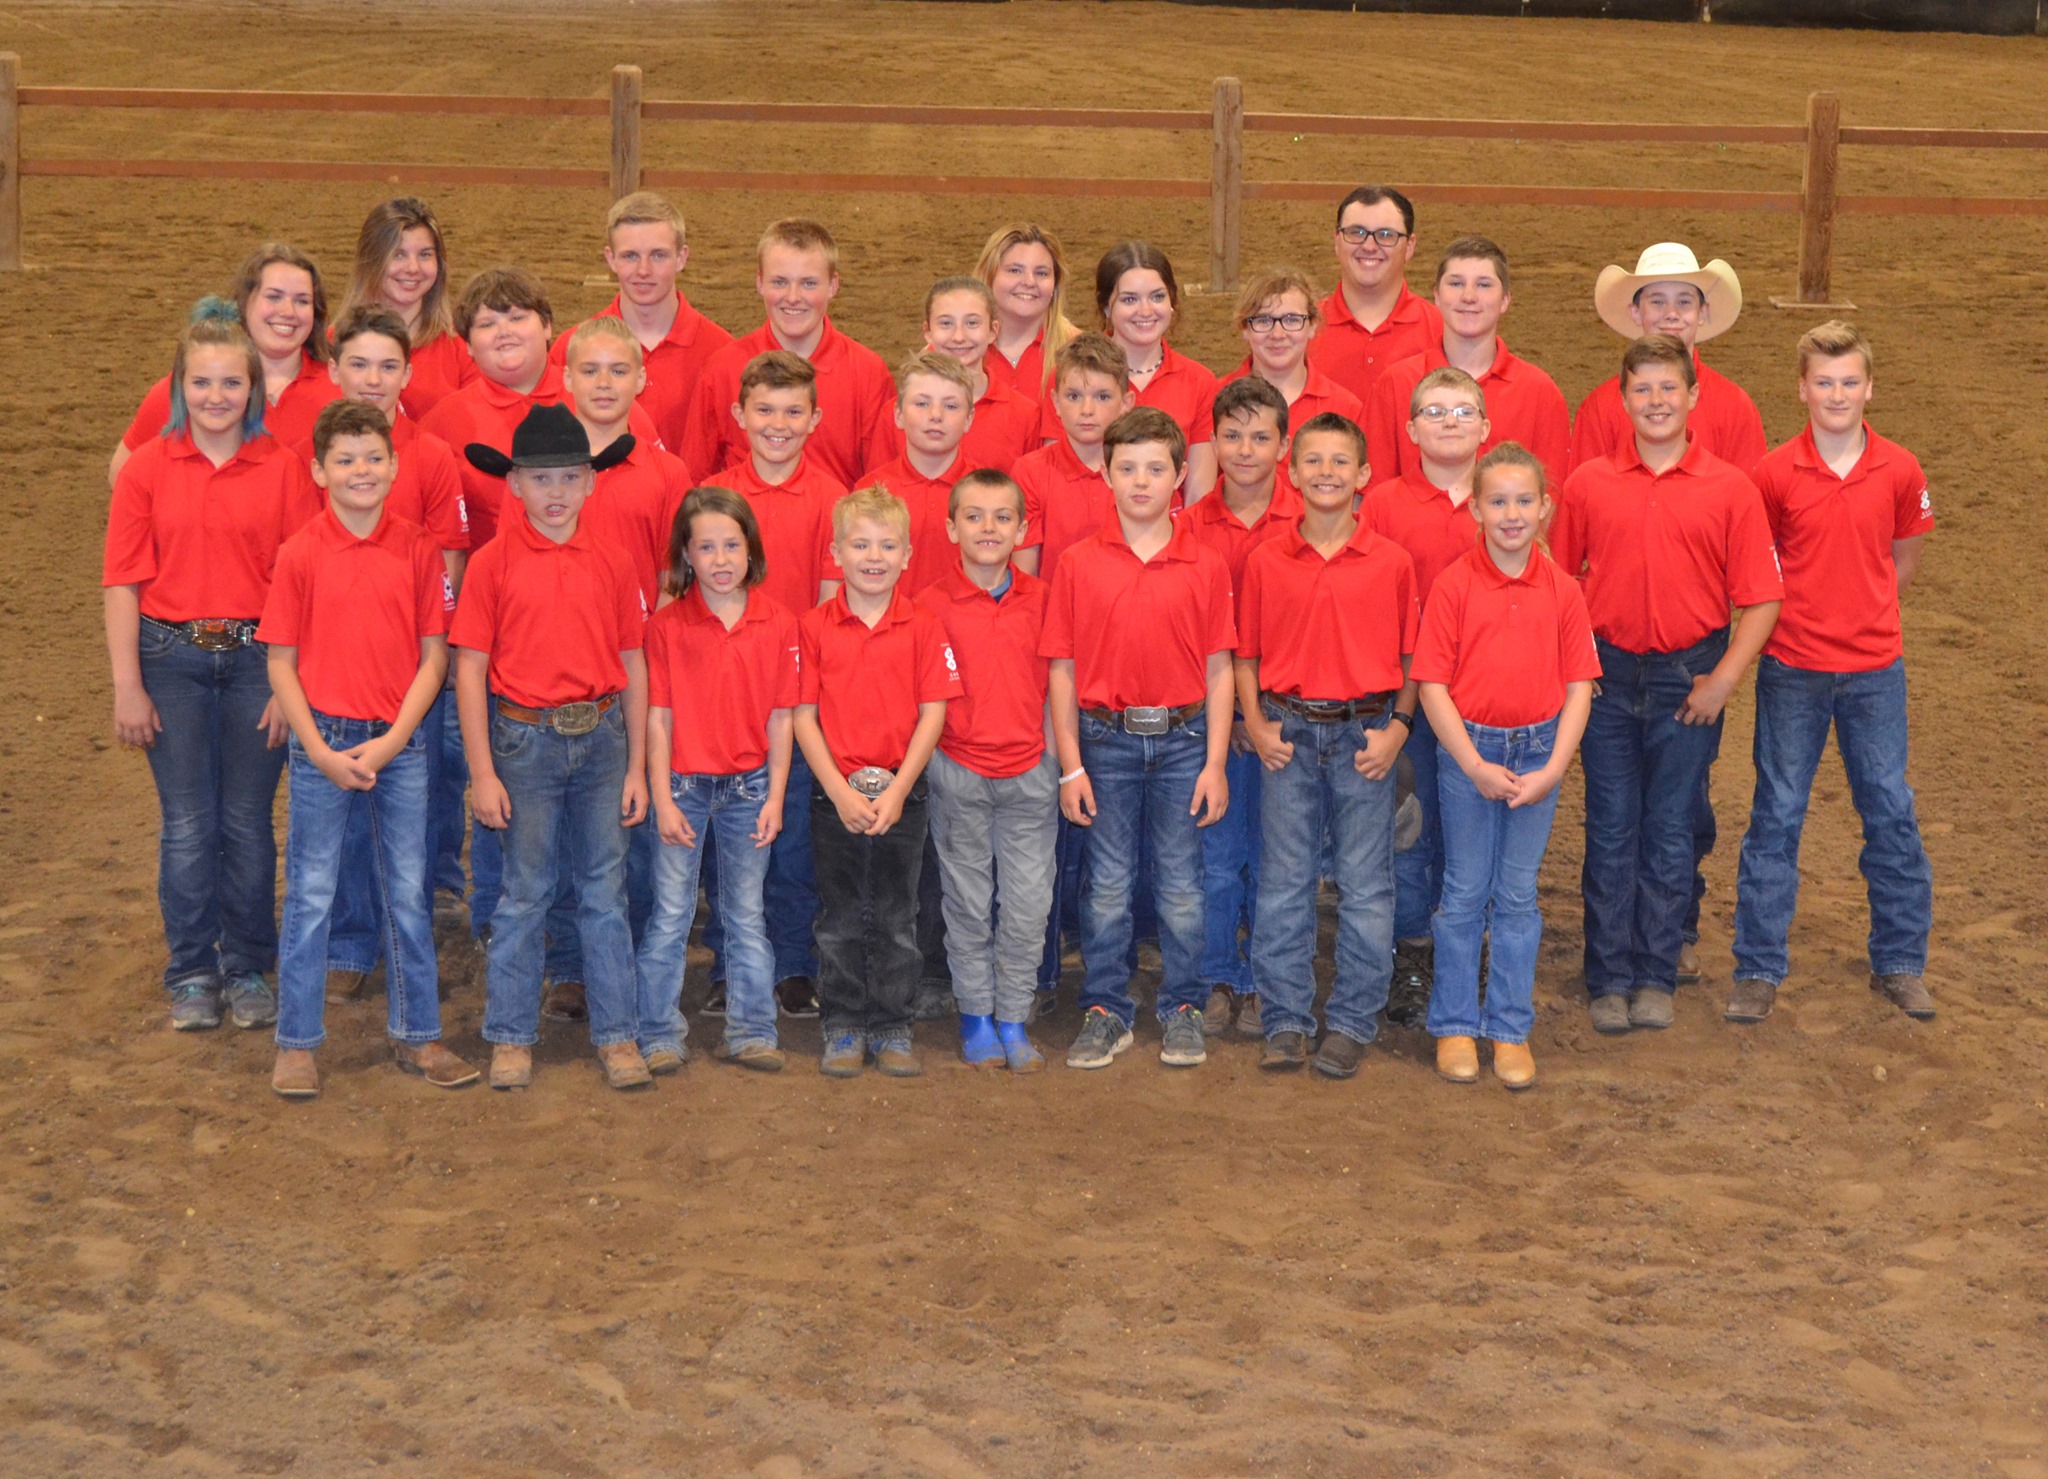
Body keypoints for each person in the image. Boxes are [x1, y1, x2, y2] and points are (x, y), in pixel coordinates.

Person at [1550, 336, 1782, 1035]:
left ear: (1693, 397)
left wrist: (1724, 679)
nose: (1655, 401)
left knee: (1672, 827)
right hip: (1609, 680)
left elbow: (1762, 597)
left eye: (1668, 388)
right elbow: (1558, 583)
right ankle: (1608, 975)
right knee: (1613, 827)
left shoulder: (1730, 488)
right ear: (1622, 400)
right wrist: (1576, 677)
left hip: (1691, 678)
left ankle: (1655, 971)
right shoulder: (1589, 483)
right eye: (1642, 389)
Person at [102, 298, 320, 1031]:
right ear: (178, 388)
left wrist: (289, 683)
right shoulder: (147, 471)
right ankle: (192, 969)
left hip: (260, 659)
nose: (216, 397)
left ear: (253, 390)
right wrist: (128, 684)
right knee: (189, 823)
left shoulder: (284, 469)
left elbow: (300, 580)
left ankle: (249, 964)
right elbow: (123, 581)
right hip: (171, 659)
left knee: (249, 822)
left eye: (232, 383)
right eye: (201, 383)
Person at [260, 401, 475, 1098]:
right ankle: (296, 1041)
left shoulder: (416, 548)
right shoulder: (299, 553)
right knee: (313, 893)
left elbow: (433, 659)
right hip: (325, 740)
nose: (361, 471)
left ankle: (419, 1033)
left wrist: (392, 740)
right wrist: (320, 750)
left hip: (398, 744)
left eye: (373, 458)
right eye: (345, 460)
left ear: (393, 465)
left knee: (408, 893)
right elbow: (282, 663)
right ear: (319, 470)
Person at [1729, 322, 1936, 1024]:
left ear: (1870, 387)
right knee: (1777, 814)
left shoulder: (1901, 469)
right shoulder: (1774, 473)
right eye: (1824, 381)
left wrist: (1864, 612)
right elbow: (1759, 565)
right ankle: (1758, 967)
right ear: (1802, 389)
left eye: (1849, 381)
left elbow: (1903, 558)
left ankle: (1901, 960)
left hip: (1876, 669)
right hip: (1793, 668)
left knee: (1889, 808)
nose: (1837, 393)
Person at [449, 405, 651, 1091]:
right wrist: (482, 769)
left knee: (604, 888)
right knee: (525, 889)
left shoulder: (614, 560)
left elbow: (633, 660)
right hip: (524, 737)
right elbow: (469, 668)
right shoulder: (492, 564)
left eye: (569, 477)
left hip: (601, 735)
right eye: (540, 480)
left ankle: (619, 1033)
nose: (556, 492)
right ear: (515, 487)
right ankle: (510, 1034)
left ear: (592, 483)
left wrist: (640, 768)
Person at [1042, 407, 1234, 1071]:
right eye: (1128, 468)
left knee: (1182, 883)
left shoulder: (1205, 564)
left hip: (1183, 742)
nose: (1142, 481)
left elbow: (1219, 667)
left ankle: (1182, 1003)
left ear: (1182, 475)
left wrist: (1214, 761)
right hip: (1106, 741)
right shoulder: (1077, 562)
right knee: (1106, 882)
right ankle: (1105, 1007)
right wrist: (1071, 764)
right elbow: (1061, 668)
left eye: (1157, 468)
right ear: (1106, 472)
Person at [1236, 412, 1418, 1079]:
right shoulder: (1266, 559)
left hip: (1363, 735)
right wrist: (1254, 723)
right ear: (1291, 472)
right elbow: (1245, 654)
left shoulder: (1392, 562)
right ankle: (1286, 1018)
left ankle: (1350, 1020)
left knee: (1367, 885)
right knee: (1285, 881)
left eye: (1341, 462)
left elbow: (1411, 655)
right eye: (1312, 460)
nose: (1326, 473)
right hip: (1286, 731)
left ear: (1364, 475)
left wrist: (1397, 727)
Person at [1412, 443, 1599, 1090]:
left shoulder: (1565, 592)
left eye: (1525, 501)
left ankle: (1510, 1027)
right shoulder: (1454, 585)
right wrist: (1470, 762)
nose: (1512, 514)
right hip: (1470, 750)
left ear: (1545, 508)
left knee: (1517, 895)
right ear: (1475, 508)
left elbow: (1579, 683)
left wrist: (1553, 768)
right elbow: (1432, 684)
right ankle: (1456, 1021)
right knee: (1464, 890)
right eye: (1498, 501)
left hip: (1538, 752)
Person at [300, 306, 471, 998]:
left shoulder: (427, 456)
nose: (374, 380)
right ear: (335, 368)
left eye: (389, 366)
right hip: (332, 669)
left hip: (412, 666)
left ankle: (414, 927)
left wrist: (430, 654)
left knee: (417, 800)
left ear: (409, 373)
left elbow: (447, 562)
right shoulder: (313, 458)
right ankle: (349, 939)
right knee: (338, 811)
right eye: (360, 364)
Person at [794, 487, 959, 1078]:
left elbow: (933, 713)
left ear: (908, 555)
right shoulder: (812, 627)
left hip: (902, 792)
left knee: (896, 912)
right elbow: (802, 716)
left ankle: (891, 1023)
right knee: (839, 914)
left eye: (887, 545)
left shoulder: (924, 625)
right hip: (831, 792)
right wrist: (840, 790)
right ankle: (841, 1023)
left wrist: (896, 789)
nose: (873, 556)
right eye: (860, 544)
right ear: (835, 554)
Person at [636, 487, 799, 1072]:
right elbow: (658, 718)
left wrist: (776, 796)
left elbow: (783, 717)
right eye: (707, 547)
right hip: (682, 785)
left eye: (732, 545)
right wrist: (662, 799)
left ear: (751, 550)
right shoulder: (668, 626)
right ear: (687, 553)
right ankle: (656, 1033)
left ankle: (752, 1029)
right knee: (671, 913)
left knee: (746, 912)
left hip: (751, 787)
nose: (721, 559)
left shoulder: (778, 622)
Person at [702, 349, 845, 1017]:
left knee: (788, 837)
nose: (779, 424)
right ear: (739, 415)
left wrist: (798, 692)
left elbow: (825, 609)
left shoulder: (830, 499)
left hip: (793, 699)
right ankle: (730, 964)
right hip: (724, 698)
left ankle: (791, 963)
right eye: (765, 410)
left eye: (793, 411)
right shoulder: (716, 498)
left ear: (814, 418)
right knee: (728, 840)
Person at [1360, 367, 1491, 1026]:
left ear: (1486, 429)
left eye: (1463, 411)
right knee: (1409, 829)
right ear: (1410, 429)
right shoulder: (1383, 503)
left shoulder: (1502, 499)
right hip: (1405, 698)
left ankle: (1463, 949)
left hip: (1486, 698)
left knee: (1471, 829)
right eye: (1434, 412)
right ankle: (1411, 951)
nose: (1448, 422)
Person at [916, 469, 1055, 1072]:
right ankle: (975, 1015)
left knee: (1028, 904)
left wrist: (1056, 762)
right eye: (973, 516)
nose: (989, 528)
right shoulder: (927, 606)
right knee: (967, 903)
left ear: (1023, 528)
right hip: (958, 771)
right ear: (951, 528)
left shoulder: (1044, 601)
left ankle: (1013, 1015)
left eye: (1003, 517)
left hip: (1030, 773)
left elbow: (1059, 687)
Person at [1184, 376, 1302, 1038]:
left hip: (1283, 718)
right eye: (1231, 435)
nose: (1246, 449)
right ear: (1214, 442)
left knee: (1276, 854)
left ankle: (1262, 975)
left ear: (1284, 445)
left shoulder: (1308, 515)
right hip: (1212, 718)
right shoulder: (1192, 525)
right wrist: (1223, 725)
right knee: (1217, 852)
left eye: (1261, 436)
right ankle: (1216, 973)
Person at [681, 218, 896, 486]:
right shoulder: (722, 368)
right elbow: (695, 478)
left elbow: (881, 484)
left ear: (833, 286)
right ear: (760, 283)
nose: (793, 297)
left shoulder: (868, 373)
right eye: (780, 282)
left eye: (808, 284)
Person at [110, 244, 340, 489]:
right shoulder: (187, 391)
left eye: (302, 301)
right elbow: (123, 477)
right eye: (273, 297)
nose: (288, 311)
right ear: (244, 302)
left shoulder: (338, 387)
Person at [1364, 236, 1570, 491]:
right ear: (1437, 296)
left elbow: (1551, 497)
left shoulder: (1540, 392)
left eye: (1484, 285)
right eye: (1456, 283)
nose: (1469, 296)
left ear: (1505, 300)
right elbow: (1375, 493)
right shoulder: (1396, 383)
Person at [549, 190, 733, 455]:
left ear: (681, 258)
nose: (643, 270)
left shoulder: (721, 351)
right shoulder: (571, 348)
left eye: (658, 255)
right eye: (630, 256)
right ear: (610, 259)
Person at [1219, 266, 1363, 497]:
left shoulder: (1345, 406)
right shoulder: (1214, 397)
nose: (1278, 334)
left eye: (1292, 320)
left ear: (1313, 326)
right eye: (1264, 321)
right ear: (1245, 328)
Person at [1093, 242, 1219, 501]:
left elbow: (1198, 493)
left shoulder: (1200, 382)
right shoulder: (1074, 377)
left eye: (1157, 297)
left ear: (1172, 301)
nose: (1146, 311)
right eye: (1129, 299)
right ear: (1106, 305)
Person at [332, 196, 476, 421]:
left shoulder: (462, 348)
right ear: (371, 260)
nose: (413, 268)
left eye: (425, 255)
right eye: (398, 254)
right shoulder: (331, 344)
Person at [1306, 186, 1445, 412]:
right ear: (1337, 241)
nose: (1369, 246)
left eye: (1386, 235)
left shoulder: (1443, 331)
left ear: (1409, 247)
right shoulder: (1299, 331)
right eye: (1356, 233)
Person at [1012, 332, 1131, 585]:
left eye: (1102, 397)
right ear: (1055, 402)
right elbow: (1025, 577)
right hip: (1053, 618)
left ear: (1126, 403)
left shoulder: (1140, 474)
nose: (1087, 410)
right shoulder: (1030, 472)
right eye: (1074, 396)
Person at [857, 351, 977, 597]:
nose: (935, 415)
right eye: (922, 403)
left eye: (951, 406)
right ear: (898, 415)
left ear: (969, 419)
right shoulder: (868, 492)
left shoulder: (987, 495)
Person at [912, 276, 1041, 471]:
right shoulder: (902, 413)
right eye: (946, 324)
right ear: (927, 331)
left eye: (972, 323)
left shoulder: (1024, 415)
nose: (958, 337)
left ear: (993, 330)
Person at [974, 222, 1080, 412]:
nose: (1029, 282)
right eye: (1015, 270)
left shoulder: (1080, 351)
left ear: (1055, 285)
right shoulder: (953, 349)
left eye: (1041, 273)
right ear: (989, 276)